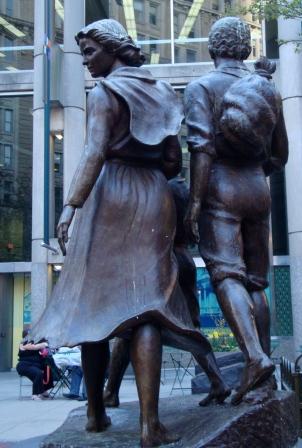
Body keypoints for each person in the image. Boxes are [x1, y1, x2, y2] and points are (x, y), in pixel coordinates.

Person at [32, 19, 228, 447]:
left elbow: (94, 151)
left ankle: (96, 412)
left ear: (114, 48)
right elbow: (174, 161)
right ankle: (149, 424)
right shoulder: (162, 91)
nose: (85, 62)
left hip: (111, 196)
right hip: (154, 195)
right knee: (148, 304)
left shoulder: (105, 92)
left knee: (93, 306)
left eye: (89, 53)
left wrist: (70, 206)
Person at [184, 17, 288, 405]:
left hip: (220, 188)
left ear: (213, 49)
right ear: (245, 49)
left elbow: (201, 148)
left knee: (227, 273)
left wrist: (194, 203)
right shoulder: (267, 89)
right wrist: (257, 173)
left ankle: (256, 358)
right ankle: (261, 375)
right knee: (256, 282)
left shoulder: (201, 88)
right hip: (257, 188)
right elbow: (281, 154)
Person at [104, 177, 226, 408]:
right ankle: (217, 381)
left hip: (162, 261)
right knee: (189, 327)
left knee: (132, 327)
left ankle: (111, 391)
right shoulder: (180, 189)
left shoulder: (159, 190)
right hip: (182, 260)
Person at [16, 330, 53, 400]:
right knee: (38, 373)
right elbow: (34, 347)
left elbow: (44, 345)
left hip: (35, 365)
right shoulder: (22, 344)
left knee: (47, 369)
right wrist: (40, 345)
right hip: (24, 365)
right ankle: (35, 395)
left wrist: (43, 347)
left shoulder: (37, 343)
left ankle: (43, 390)